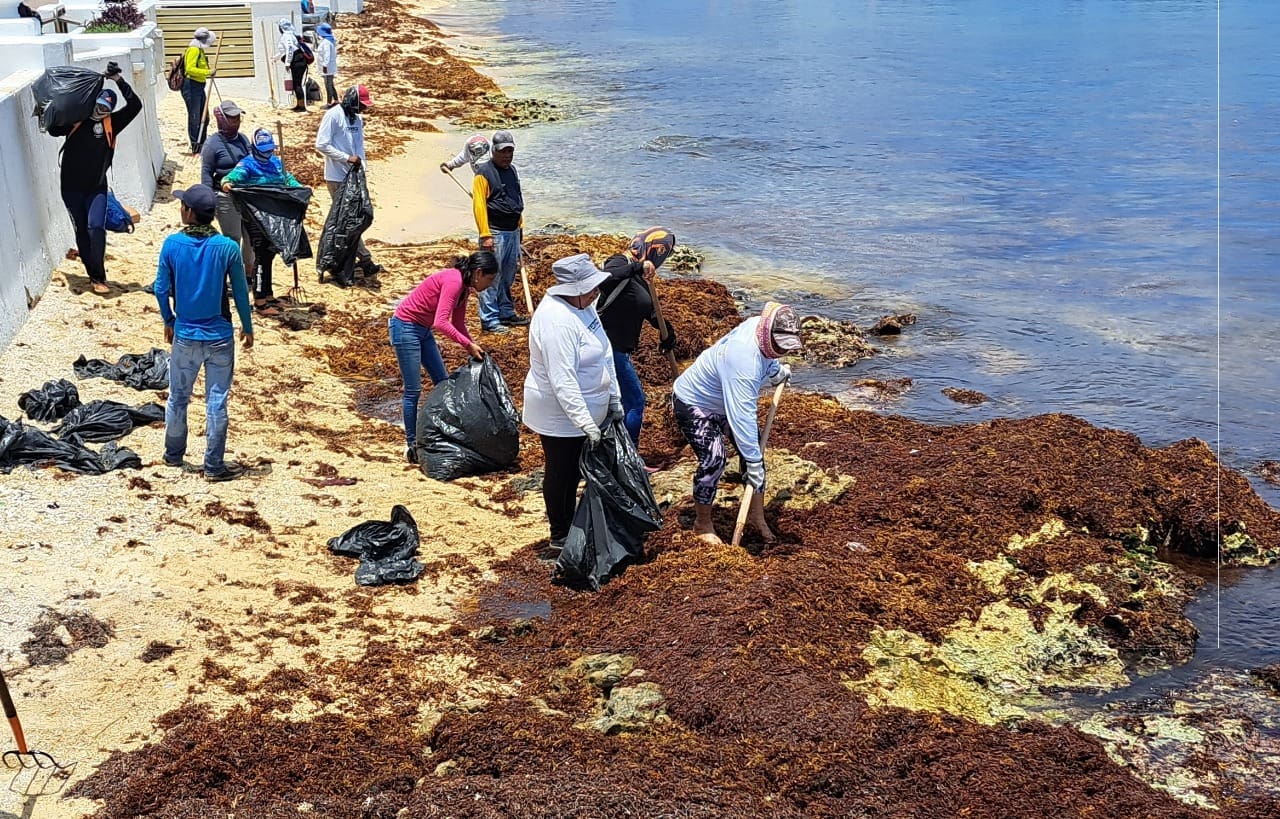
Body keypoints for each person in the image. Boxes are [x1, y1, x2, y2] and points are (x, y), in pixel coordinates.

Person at [671, 302, 802, 546]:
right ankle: (702, 524)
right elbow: (742, 415)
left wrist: (774, 371)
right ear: (766, 332)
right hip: (694, 403)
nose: (781, 351)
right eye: (778, 346)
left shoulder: (760, 329)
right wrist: (751, 460)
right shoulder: (744, 360)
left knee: (755, 454)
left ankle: (755, 517)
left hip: (724, 401)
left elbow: (768, 356)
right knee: (715, 458)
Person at [523, 254, 623, 558]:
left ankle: (574, 526)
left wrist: (614, 397)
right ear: (572, 289)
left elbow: (605, 353)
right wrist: (586, 423)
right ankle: (559, 533)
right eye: (591, 287)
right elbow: (562, 380)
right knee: (561, 470)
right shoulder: (556, 321)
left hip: (590, 406)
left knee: (578, 471)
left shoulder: (586, 306)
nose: (596, 292)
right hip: (558, 413)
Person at [153, 184, 254, 482]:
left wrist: (168, 320)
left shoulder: (172, 244)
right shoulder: (227, 247)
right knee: (217, 401)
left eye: (183, 204)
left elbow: (161, 289)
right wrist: (247, 328)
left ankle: (173, 455)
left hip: (185, 333)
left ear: (189, 212)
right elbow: (239, 291)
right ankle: (213, 465)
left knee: (178, 397)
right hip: (220, 337)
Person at [390, 251, 497, 463]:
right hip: (405, 327)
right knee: (413, 390)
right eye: (490, 279)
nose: (490, 285)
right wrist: (467, 344)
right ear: (478, 273)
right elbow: (441, 322)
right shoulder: (454, 281)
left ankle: (443, 430)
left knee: (443, 383)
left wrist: (473, 346)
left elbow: (458, 324)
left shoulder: (464, 290)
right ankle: (411, 443)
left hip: (423, 329)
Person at [49, 60, 142, 295]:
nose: (100, 112)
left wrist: (118, 80)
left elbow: (135, 105)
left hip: (97, 186)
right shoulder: (77, 119)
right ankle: (92, 275)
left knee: (96, 228)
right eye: (98, 107)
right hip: (70, 187)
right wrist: (49, 107)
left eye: (105, 110)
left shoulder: (112, 123)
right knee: (81, 229)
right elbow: (52, 128)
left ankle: (100, 277)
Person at [598, 226, 678, 450]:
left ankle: (614, 449)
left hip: (622, 348)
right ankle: (629, 453)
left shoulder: (644, 277)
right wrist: (637, 266)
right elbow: (605, 278)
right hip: (608, 345)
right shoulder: (620, 262)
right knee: (635, 401)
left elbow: (648, 308)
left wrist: (667, 333)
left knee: (619, 401)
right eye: (661, 252)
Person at [221, 128, 303, 315]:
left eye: (269, 149)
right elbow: (233, 177)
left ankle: (268, 294)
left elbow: (288, 179)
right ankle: (259, 300)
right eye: (263, 149)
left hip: (274, 217)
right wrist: (227, 183)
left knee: (271, 253)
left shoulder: (276, 163)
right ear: (255, 148)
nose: (267, 153)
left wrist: (299, 189)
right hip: (255, 217)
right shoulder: (247, 164)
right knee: (261, 254)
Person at [315, 84, 381, 284]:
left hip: (355, 177)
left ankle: (358, 258)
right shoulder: (334, 116)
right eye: (361, 105)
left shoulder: (357, 119)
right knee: (346, 220)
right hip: (337, 177)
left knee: (360, 217)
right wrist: (346, 158)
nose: (363, 109)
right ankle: (364, 259)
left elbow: (359, 146)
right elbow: (321, 144)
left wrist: (362, 169)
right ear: (352, 101)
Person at [472, 129, 527, 334]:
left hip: (512, 231)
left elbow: (516, 200)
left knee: (508, 275)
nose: (507, 155)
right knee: (490, 277)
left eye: (510, 151)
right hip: (494, 233)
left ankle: (506, 312)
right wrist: (485, 235)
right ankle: (489, 319)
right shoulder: (483, 174)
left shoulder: (512, 171)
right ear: (494, 151)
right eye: (503, 151)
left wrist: (520, 228)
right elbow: (479, 206)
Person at [200, 99, 254, 280]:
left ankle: (248, 274)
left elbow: (253, 163)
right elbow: (206, 174)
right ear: (221, 119)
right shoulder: (212, 144)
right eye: (232, 118)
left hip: (246, 196)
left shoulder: (244, 139)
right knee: (232, 238)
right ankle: (233, 276)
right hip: (225, 197)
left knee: (250, 237)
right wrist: (209, 202)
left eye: (238, 118)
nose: (236, 122)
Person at [181, 27, 216, 153]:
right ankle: (196, 146)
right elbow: (189, 69)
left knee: (204, 117)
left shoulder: (199, 50)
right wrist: (208, 72)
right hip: (191, 86)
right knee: (195, 117)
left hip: (199, 86)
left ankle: (203, 144)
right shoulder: (194, 50)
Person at [276, 20, 308, 113]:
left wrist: (287, 63)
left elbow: (290, 50)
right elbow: (284, 51)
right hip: (298, 61)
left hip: (297, 62)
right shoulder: (290, 35)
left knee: (297, 85)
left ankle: (302, 107)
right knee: (296, 84)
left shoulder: (287, 36)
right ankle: (299, 105)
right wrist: (276, 58)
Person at [315, 23, 339, 107]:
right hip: (330, 66)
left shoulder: (326, 42)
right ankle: (336, 100)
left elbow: (327, 55)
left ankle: (329, 103)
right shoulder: (331, 40)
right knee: (331, 85)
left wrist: (325, 65)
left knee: (328, 85)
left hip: (327, 67)